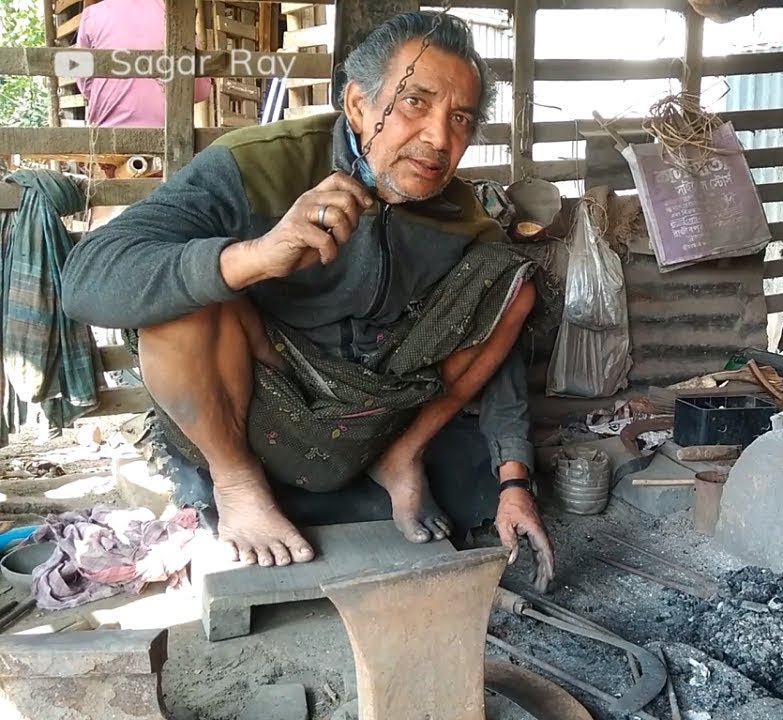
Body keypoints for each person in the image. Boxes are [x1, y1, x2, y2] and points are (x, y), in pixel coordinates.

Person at [60, 11, 555, 591]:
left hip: (376, 406)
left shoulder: (462, 215)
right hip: (265, 388)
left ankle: (400, 458)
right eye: (414, 103)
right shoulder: (258, 165)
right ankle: (237, 482)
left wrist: (514, 481)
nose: (439, 139)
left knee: (511, 283)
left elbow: (497, 346)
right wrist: (254, 257)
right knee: (181, 294)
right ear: (357, 105)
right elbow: (86, 279)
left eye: (461, 119)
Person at [74, 0, 213, 129]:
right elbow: (200, 91)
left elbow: (85, 84)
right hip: (169, 134)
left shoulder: (92, 14)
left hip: (106, 132)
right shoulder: (177, 18)